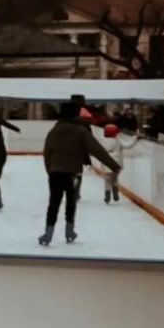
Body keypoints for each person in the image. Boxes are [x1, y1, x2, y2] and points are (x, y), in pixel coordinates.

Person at [39, 102, 121, 246]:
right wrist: (113, 166)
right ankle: (69, 232)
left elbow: (47, 153)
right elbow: (97, 150)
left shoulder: (54, 131)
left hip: (56, 173)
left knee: (53, 203)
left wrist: (50, 170)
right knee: (71, 202)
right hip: (73, 174)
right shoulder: (81, 131)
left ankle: (48, 233)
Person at [101, 124, 139, 204]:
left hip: (107, 162)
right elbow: (127, 145)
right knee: (115, 179)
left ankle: (107, 196)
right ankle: (115, 193)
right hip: (117, 163)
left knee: (108, 180)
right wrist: (135, 139)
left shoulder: (102, 141)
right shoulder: (118, 140)